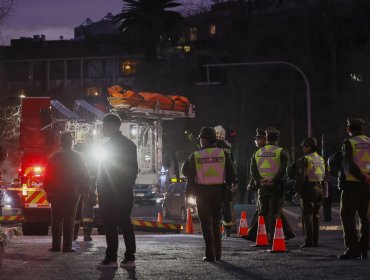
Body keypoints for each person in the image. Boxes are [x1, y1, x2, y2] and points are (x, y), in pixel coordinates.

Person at [182, 127, 237, 262]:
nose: (200, 141)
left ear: (204, 140)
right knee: (216, 223)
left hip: (202, 193)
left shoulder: (196, 155)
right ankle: (218, 253)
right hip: (218, 193)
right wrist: (231, 185)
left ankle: (210, 254)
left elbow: (189, 175)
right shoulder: (223, 154)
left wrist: (188, 194)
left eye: (201, 139)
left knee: (206, 223)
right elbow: (232, 173)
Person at [97, 113, 138, 268]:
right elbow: (133, 170)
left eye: (104, 125)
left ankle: (111, 258)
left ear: (112, 126)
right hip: (124, 192)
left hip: (109, 192)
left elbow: (103, 172)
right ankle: (130, 257)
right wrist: (127, 186)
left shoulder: (107, 147)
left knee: (110, 225)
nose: (102, 128)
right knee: (125, 223)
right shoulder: (130, 145)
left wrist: (101, 189)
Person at [43, 132, 90, 253]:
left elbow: (47, 175)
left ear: (61, 141)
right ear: (71, 142)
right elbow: (83, 174)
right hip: (72, 191)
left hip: (56, 191)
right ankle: (67, 246)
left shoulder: (53, 156)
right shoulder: (77, 157)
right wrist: (85, 189)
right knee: (70, 218)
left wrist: (48, 190)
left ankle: (55, 245)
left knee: (56, 218)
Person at [247, 128, 295, 241]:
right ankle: (273, 237)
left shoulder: (257, 153)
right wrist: (274, 180)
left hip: (262, 187)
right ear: (277, 138)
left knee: (262, 212)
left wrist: (260, 180)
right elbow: (284, 170)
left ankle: (261, 236)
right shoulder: (282, 152)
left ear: (267, 138)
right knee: (275, 213)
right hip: (277, 187)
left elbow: (253, 171)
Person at [338, 117, 370, 260]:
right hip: (368, 184)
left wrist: (362, 176)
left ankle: (353, 248)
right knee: (366, 217)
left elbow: (348, 165)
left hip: (352, 185)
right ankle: (364, 247)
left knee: (347, 215)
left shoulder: (348, 142)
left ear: (349, 129)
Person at [295, 137, 325, 248]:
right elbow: (325, 176)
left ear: (308, 146)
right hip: (319, 188)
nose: (303, 148)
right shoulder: (321, 158)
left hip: (309, 188)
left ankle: (308, 241)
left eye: (304, 146)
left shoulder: (304, 159)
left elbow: (300, 177)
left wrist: (298, 192)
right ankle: (315, 241)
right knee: (316, 216)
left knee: (307, 216)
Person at [214, 125, 237, 237]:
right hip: (225, 183)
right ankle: (227, 230)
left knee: (213, 206)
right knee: (226, 206)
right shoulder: (228, 148)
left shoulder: (211, 146)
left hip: (211, 181)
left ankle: (215, 228)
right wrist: (234, 181)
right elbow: (232, 166)